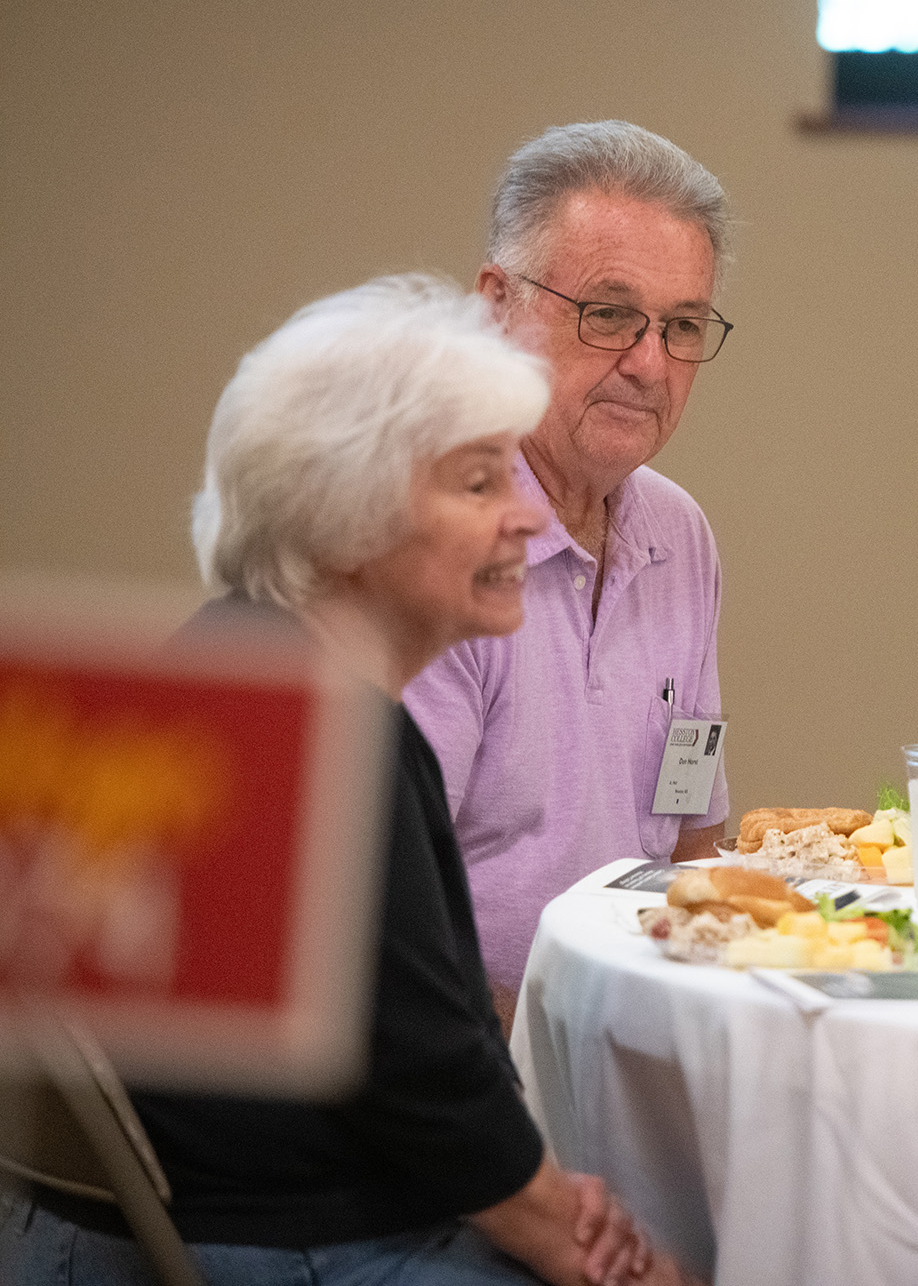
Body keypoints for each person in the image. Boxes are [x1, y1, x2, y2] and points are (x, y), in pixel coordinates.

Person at [1, 276, 692, 1285]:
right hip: (277, 1247)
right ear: (345, 515)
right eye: (476, 484)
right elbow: (435, 1091)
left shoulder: (226, 675)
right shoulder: (333, 736)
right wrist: (589, 1244)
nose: (526, 522)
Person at [403, 122, 736, 1018]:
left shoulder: (679, 532)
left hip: (633, 1036)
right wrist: (556, 1066)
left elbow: (692, 831)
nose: (649, 363)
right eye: (610, 313)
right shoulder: (437, 533)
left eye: (682, 326)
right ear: (495, 303)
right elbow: (380, 916)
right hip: (474, 1066)